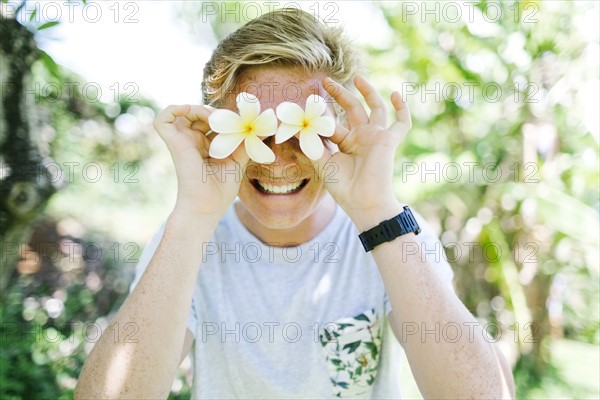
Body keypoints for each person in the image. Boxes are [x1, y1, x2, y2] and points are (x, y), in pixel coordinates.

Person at [75, 8, 515, 399]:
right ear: (215, 132)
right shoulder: (188, 241)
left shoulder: (394, 232)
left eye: (304, 131)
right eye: (255, 132)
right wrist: (195, 216)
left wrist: (375, 211)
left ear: (340, 131)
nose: (278, 160)